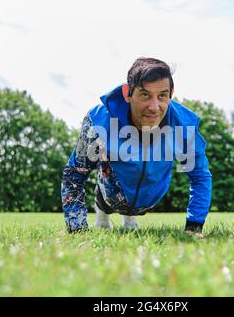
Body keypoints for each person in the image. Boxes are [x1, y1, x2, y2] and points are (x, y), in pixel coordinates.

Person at [61, 57, 212, 237]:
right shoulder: (100, 121)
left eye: (162, 96)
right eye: (145, 95)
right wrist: (77, 228)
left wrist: (194, 225)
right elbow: (74, 174)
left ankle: (130, 217)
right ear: (127, 93)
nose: (154, 107)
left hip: (151, 197)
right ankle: (101, 211)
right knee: (100, 161)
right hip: (112, 192)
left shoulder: (183, 125)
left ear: (171, 93)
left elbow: (200, 176)